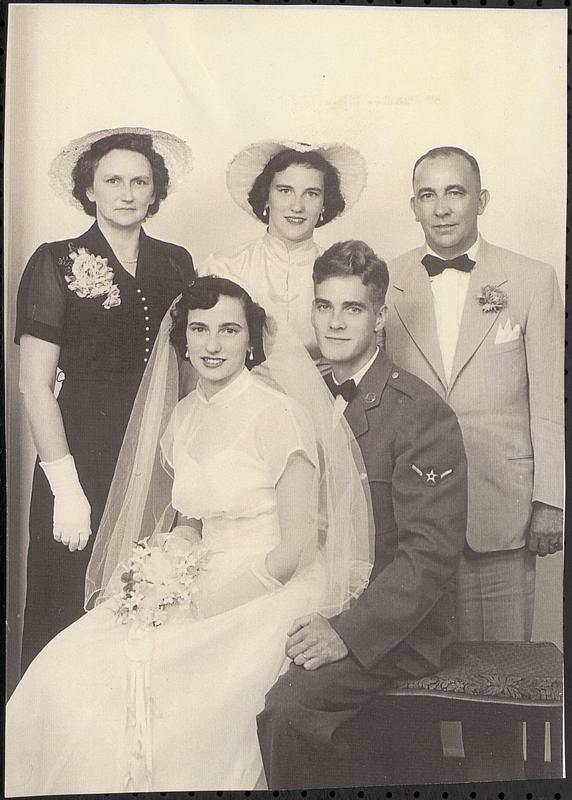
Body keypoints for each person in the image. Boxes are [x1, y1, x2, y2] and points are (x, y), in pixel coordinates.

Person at [6, 276, 373, 795]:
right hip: (197, 575)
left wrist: (209, 604)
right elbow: (191, 522)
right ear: (182, 339)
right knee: (63, 669)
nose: (213, 344)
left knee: (161, 691)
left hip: (267, 588)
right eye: (199, 330)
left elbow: (296, 549)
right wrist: (159, 572)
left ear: (251, 340)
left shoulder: (278, 414)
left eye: (228, 329)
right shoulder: (183, 416)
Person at [257, 240, 468, 789]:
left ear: (379, 318)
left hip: (390, 627)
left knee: (288, 708)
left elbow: (429, 558)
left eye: (352, 308)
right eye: (324, 306)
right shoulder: (302, 396)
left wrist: (346, 634)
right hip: (311, 597)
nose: (334, 321)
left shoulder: (419, 413)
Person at [15, 127, 195, 672]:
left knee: (152, 604)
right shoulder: (55, 261)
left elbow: (190, 370)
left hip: (159, 451)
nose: (126, 192)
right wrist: (64, 486)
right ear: (89, 189)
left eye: (139, 181)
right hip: (81, 455)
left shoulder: (176, 262)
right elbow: (34, 385)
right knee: (69, 603)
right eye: (112, 180)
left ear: (154, 191)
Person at [384, 146, 564, 642]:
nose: (441, 208)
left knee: (499, 685)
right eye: (428, 195)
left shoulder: (532, 279)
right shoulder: (385, 282)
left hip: (501, 509)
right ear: (413, 205)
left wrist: (550, 499)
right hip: (411, 518)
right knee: (417, 686)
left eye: (455, 192)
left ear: (481, 200)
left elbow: (551, 402)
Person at [201, 139, 367, 361]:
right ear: (266, 196)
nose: (297, 206)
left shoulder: (345, 274)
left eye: (311, 194)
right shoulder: (224, 267)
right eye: (285, 190)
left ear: (324, 203)